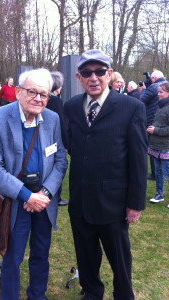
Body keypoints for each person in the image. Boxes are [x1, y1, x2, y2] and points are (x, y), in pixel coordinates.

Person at [64, 49, 147, 300]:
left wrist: (135, 203)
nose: (94, 77)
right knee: (86, 255)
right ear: (79, 78)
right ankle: (92, 292)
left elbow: (138, 159)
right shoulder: (70, 107)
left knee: (119, 258)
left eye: (100, 72)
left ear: (109, 74)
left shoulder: (131, 107)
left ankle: (123, 294)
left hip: (113, 202)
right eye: (87, 73)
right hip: (79, 199)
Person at [0, 68, 67, 300]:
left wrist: (44, 193)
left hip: (44, 201)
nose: (38, 99)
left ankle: (37, 295)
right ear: (19, 92)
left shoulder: (52, 119)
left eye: (44, 94)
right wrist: (26, 196)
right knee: (12, 257)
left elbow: (60, 161)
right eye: (32, 92)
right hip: (14, 201)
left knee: (41, 254)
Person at [46, 71, 69, 206]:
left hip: (45, 139)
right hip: (54, 140)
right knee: (58, 166)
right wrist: (66, 143)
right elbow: (62, 123)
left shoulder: (46, 99)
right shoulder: (55, 100)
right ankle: (56, 196)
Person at [140, 70, 166, 180]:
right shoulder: (166, 85)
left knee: (151, 147)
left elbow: (141, 100)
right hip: (163, 118)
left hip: (152, 119)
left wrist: (144, 90)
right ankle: (159, 172)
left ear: (154, 78)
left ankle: (154, 173)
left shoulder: (154, 87)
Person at [147, 81, 169, 206]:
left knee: (167, 173)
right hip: (155, 146)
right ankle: (159, 194)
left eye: (161, 92)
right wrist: (152, 127)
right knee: (159, 172)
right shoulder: (160, 106)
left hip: (166, 147)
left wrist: (156, 130)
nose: (158, 95)